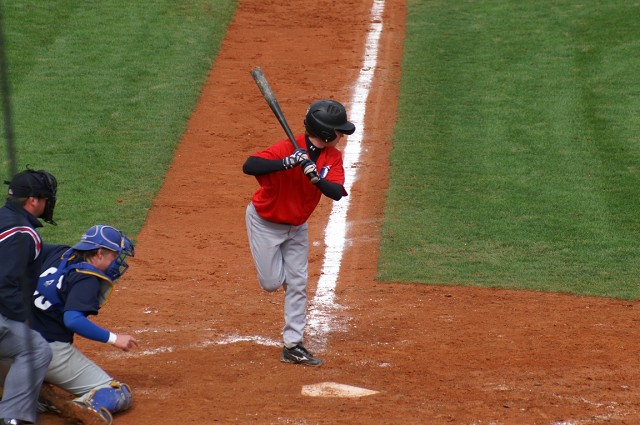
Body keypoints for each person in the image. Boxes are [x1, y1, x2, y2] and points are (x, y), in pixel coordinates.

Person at [243, 99, 355, 366]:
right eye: (338, 131)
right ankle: (287, 279)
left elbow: (336, 192)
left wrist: (316, 178)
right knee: (271, 283)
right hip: (266, 223)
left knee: (298, 284)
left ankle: (293, 345)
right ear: (326, 133)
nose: (342, 136)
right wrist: (286, 163)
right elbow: (250, 165)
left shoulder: (332, 157)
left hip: (297, 228)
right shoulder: (287, 148)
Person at [30, 225, 137, 425]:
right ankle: (83, 407)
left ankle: (18, 389)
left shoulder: (59, 253)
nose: (117, 262)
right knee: (116, 392)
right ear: (99, 253)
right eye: (115, 255)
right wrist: (114, 339)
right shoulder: (87, 278)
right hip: (43, 349)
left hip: (10, 339)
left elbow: (24, 248)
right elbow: (73, 320)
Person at [0, 168, 57, 425]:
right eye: (45, 197)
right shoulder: (23, 233)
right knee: (36, 349)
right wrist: (22, 317)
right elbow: (4, 283)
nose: (48, 202)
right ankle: (12, 417)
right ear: (33, 200)